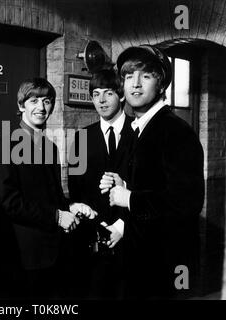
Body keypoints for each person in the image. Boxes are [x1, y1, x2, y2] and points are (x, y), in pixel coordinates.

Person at [107, 45, 204, 299]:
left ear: (161, 85)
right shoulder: (139, 129)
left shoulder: (176, 131)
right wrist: (126, 187)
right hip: (140, 262)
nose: (135, 84)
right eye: (129, 76)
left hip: (164, 268)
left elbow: (185, 203)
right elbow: (154, 185)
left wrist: (128, 198)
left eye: (145, 76)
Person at [0, 77, 96, 299]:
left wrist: (73, 206)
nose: (41, 107)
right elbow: (8, 203)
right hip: (24, 257)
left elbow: (52, 197)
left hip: (54, 253)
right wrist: (57, 216)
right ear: (21, 106)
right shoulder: (2, 145)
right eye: (33, 101)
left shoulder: (50, 147)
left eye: (47, 101)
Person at [68, 68, 135, 299]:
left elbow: (153, 189)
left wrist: (122, 226)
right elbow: (76, 192)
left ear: (122, 95)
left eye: (108, 93)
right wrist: (98, 225)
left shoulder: (140, 134)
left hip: (133, 240)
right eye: (96, 94)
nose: (102, 100)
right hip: (93, 242)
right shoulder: (81, 138)